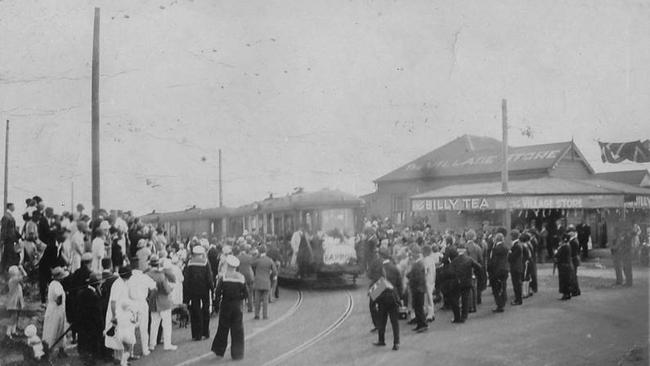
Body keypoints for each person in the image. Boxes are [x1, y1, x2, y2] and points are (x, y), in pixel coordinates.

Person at [211, 255, 248, 360]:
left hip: (226, 305)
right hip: (237, 306)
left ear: (228, 265)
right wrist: (239, 298)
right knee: (237, 330)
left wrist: (216, 305)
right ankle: (237, 354)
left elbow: (217, 293)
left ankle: (219, 350)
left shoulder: (224, 277)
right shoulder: (241, 277)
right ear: (236, 266)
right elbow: (246, 294)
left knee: (223, 328)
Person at [373, 248, 402, 351]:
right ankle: (396, 343)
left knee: (382, 320)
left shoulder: (379, 268)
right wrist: (400, 298)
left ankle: (381, 340)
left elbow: (376, 285)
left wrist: (374, 299)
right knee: (395, 322)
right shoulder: (394, 268)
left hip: (382, 298)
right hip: (393, 297)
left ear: (381, 256)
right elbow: (399, 284)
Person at [146, 255, 178, 351]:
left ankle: (152, 344)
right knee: (167, 325)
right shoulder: (161, 275)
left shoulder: (147, 274)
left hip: (152, 301)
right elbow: (167, 289)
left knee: (154, 324)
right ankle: (167, 344)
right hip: (164, 301)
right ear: (158, 264)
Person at [183, 245, 214, 341]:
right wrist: (212, 289)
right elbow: (209, 278)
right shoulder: (205, 262)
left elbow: (186, 279)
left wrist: (186, 295)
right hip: (204, 289)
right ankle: (206, 332)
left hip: (193, 290)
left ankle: (197, 334)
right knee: (205, 309)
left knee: (195, 310)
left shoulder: (189, 263)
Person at [127, 257, 156, 357]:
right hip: (142, 302)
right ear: (138, 265)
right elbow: (153, 286)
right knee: (144, 327)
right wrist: (148, 295)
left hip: (131, 303)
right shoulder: (143, 276)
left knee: (131, 328)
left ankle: (130, 352)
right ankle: (145, 349)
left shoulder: (128, 278)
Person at [446, 247, 483, 323]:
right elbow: (479, 267)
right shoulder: (469, 259)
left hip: (457, 282)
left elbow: (450, 272)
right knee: (465, 299)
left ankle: (457, 317)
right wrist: (474, 274)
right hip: (467, 281)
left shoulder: (454, 261)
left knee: (454, 299)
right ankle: (464, 316)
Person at [104, 265, 132, 364]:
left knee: (119, 341)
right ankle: (120, 361)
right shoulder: (118, 284)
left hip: (121, 314)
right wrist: (114, 316)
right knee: (120, 340)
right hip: (116, 315)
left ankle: (121, 360)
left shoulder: (123, 282)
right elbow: (113, 302)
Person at [76, 272, 105, 365]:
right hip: (92, 325)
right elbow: (97, 313)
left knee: (85, 343)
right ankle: (90, 360)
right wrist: (101, 326)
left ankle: (86, 358)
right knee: (92, 344)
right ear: (97, 284)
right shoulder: (94, 296)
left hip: (83, 324)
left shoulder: (81, 292)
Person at [43, 267, 69, 358]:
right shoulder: (57, 285)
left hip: (54, 308)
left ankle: (61, 350)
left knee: (59, 329)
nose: (62, 278)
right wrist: (61, 300)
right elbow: (59, 298)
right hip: (56, 310)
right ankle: (49, 351)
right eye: (61, 276)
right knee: (55, 329)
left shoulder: (52, 284)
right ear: (57, 277)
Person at [252, 245, 277, 320]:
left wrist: (257, 256)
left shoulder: (258, 260)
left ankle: (257, 315)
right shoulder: (270, 260)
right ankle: (265, 315)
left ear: (259, 251)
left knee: (257, 300)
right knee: (265, 300)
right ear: (266, 251)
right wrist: (271, 275)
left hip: (258, 282)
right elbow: (275, 271)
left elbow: (251, 263)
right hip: (266, 282)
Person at [406, 246, 427, 332]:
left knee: (419, 308)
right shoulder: (417, 264)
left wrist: (410, 277)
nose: (411, 255)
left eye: (412, 253)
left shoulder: (418, 264)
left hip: (418, 289)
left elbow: (417, 277)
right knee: (417, 308)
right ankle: (419, 324)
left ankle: (423, 324)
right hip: (417, 288)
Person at [488, 233, 509, 313]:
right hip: (505, 269)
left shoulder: (495, 249)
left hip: (497, 270)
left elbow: (493, 261)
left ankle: (499, 305)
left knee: (496, 289)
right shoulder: (505, 247)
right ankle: (503, 301)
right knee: (503, 286)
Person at [5, 265, 24, 338]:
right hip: (13, 302)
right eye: (17, 271)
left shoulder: (14, 279)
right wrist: (22, 269)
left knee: (16, 316)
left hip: (17, 301)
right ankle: (8, 333)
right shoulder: (13, 280)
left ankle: (13, 330)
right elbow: (24, 277)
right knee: (13, 317)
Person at [1, 203, 20, 272]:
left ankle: (4, 270)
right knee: (8, 255)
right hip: (8, 240)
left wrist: (19, 236)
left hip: (11, 239)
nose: (14, 207)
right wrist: (2, 240)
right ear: (9, 207)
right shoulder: (6, 217)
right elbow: (4, 229)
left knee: (8, 255)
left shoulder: (9, 216)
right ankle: (5, 271)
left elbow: (13, 229)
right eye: (13, 206)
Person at [554, 234, 574, 300]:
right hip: (567, 265)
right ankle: (568, 293)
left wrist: (556, 252)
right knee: (567, 280)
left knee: (564, 280)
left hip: (563, 265)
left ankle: (565, 294)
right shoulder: (568, 245)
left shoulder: (564, 247)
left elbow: (558, 255)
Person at [236, 246, 255, 312]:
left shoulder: (238, 257)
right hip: (249, 276)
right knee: (250, 292)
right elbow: (253, 265)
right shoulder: (249, 257)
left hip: (241, 277)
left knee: (241, 292)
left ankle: (241, 308)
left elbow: (236, 268)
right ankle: (250, 308)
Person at [421, 245, 437, 322]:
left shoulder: (426, 260)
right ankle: (431, 313)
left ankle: (430, 314)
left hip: (427, 280)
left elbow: (425, 271)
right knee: (429, 297)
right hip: (432, 280)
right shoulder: (431, 259)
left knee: (428, 297)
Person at [508, 231, 523, 306]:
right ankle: (517, 299)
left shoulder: (517, 246)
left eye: (511, 236)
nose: (510, 237)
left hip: (516, 268)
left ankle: (518, 299)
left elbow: (512, 257)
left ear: (513, 236)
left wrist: (509, 253)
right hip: (516, 267)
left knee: (517, 284)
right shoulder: (516, 245)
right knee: (516, 284)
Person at [567, 226, 581, 296]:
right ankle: (576, 290)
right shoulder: (572, 240)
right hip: (574, 259)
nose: (569, 233)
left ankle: (575, 291)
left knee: (573, 276)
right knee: (573, 275)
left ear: (573, 233)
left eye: (570, 232)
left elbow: (572, 252)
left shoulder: (574, 241)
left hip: (574, 259)